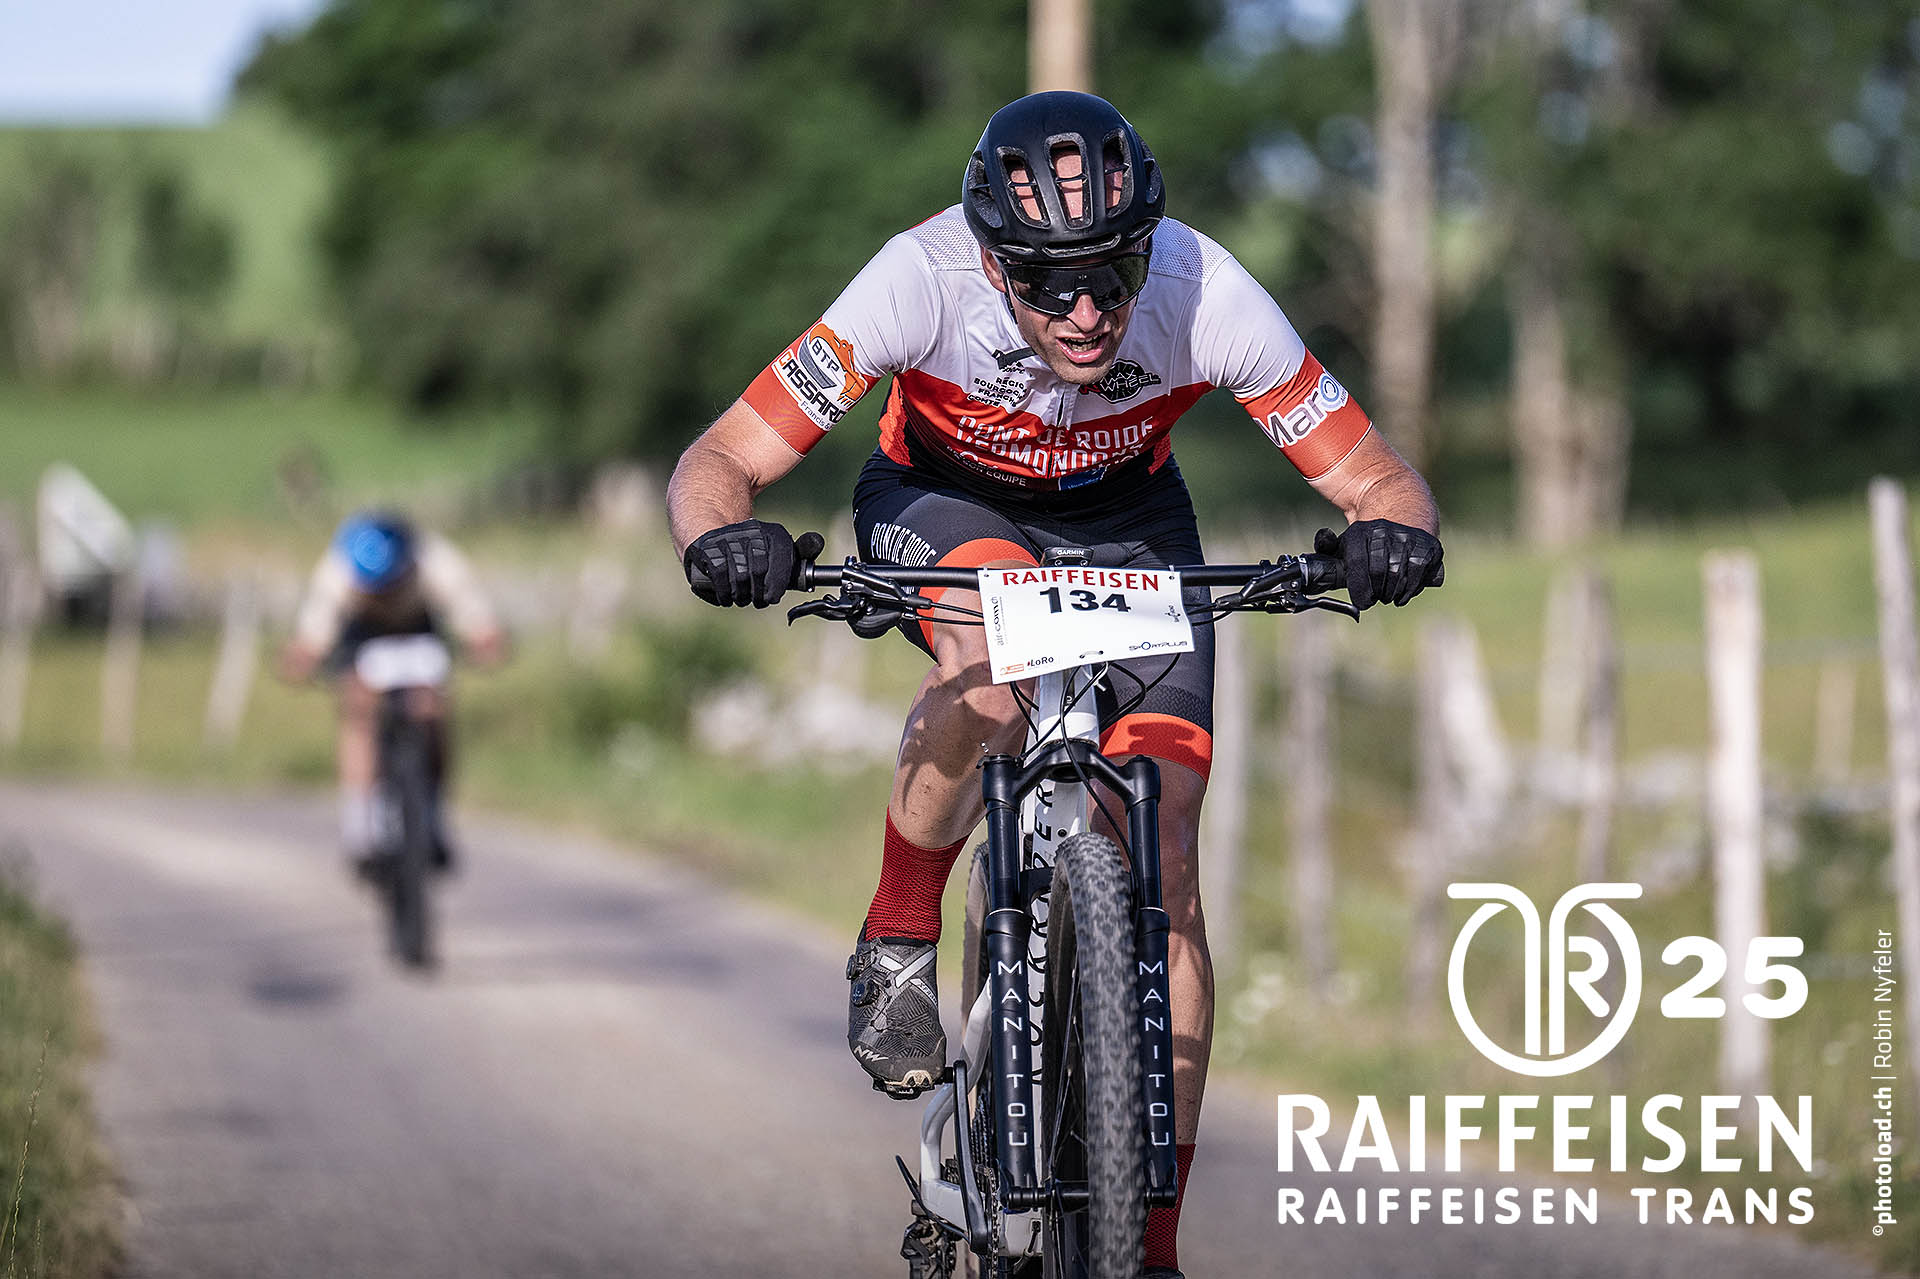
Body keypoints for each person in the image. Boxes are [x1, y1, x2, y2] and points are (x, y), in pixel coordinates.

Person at [668, 91, 1442, 1278]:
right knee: (992, 685)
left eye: (1112, 276)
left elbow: (1378, 477)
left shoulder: (1207, 292)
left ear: (1148, 249)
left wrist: (1394, 534)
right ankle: (900, 932)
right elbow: (723, 455)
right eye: (1046, 284)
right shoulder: (916, 280)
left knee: (1167, 849)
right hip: (944, 500)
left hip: (1131, 522)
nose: (1087, 313)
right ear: (992, 263)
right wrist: (720, 536)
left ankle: (1153, 1244)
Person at [279, 511, 507, 878]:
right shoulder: (336, 571)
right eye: (373, 589)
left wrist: (484, 638)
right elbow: (314, 631)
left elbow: (472, 612)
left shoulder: (436, 561)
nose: (382, 595)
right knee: (358, 712)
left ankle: (433, 816)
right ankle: (360, 827)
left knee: (433, 708)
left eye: (389, 585)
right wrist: (303, 657)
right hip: (363, 636)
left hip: (419, 630)